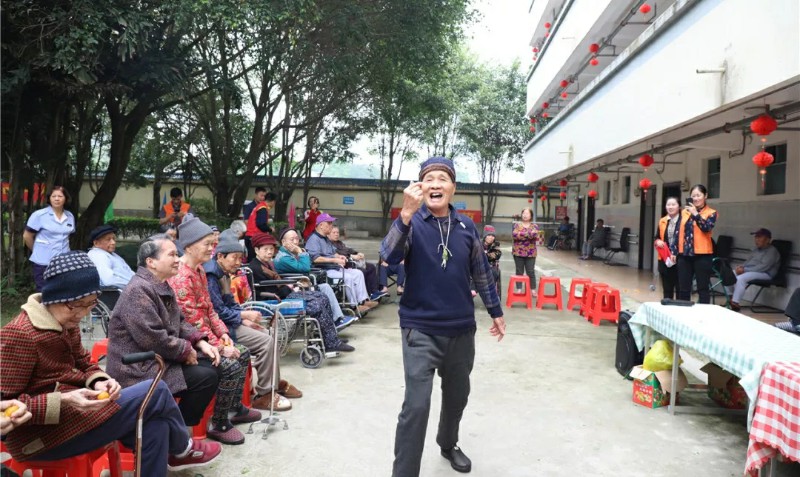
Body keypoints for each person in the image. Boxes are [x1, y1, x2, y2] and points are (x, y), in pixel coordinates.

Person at [0, 251, 221, 475]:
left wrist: (100, 381)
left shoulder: (66, 322)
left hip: (77, 417)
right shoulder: (20, 334)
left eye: (90, 304)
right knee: (156, 390)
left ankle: (177, 452)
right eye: (77, 305)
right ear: (55, 298)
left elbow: (85, 362)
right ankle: (183, 448)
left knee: (156, 426)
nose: (82, 313)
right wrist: (65, 400)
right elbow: (6, 404)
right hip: (41, 438)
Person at [381, 156, 506, 477]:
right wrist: (405, 214)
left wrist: (495, 311)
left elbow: (480, 270)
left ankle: (448, 443)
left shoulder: (466, 226)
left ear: (453, 188)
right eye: (429, 179)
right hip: (420, 329)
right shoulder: (411, 222)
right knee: (416, 406)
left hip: (461, 328)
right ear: (420, 186)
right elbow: (389, 256)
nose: (436, 184)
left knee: (457, 397)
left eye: (442, 179)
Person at [167, 216, 262, 444]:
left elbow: (210, 309)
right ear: (189, 246)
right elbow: (192, 321)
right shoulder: (181, 277)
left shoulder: (199, 270)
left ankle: (235, 407)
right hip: (189, 341)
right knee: (229, 364)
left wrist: (223, 333)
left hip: (205, 336)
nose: (212, 248)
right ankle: (219, 423)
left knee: (242, 353)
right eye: (207, 244)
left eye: (213, 243)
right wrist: (219, 346)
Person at [204, 229, 303, 410]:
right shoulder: (211, 276)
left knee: (268, 333)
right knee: (266, 342)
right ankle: (264, 394)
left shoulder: (223, 272)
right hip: (219, 329)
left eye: (240, 258)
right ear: (220, 256)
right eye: (234, 258)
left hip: (229, 322)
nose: (238, 262)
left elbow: (230, 303)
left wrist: (243, 319)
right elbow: (217, 312)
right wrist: (243, 316)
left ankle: (273, 383)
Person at [248, 231, 355, 351]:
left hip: (283, 296)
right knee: (316, 304)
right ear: (256, 250)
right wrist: (292, 287)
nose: (269, 252)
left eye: (271, 249)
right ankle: (331, 342)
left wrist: (291, 286)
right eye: (265, 249)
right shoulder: (256, 267)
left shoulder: (267, 264)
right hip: (273, 302)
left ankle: (329, 337)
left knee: (322, 296)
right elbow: (273, 291)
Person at [273, 228, 363, 323]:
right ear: (283, 242)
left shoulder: (291, 253)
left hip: (302, 284)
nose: (295, 242)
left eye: (297, 239)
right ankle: (336, 319)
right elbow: (305, 268)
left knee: (326, 287)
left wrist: (301, 252)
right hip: (295, 288)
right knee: (324, 290)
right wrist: (300, 252)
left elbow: (308, 264)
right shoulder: (284, 258)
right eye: (292, 239)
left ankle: (337, 318)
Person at [305, 214, 379, 311]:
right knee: (348, 277)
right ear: (321, 225)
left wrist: (339, 256)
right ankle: (354, 305)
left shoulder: (325, 238)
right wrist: (334, 260)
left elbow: (333, 252)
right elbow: (315, 259)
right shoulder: (313, 239)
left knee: (358, 273)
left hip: (334, 268)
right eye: (329, 223)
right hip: (323, 270)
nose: (331, 225)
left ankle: (363, 301)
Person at [23, 186, 74, 291]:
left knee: (61, 291)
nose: (56, 199)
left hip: (63, 262)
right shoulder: (39, 215)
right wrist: (36, 250)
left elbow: (67, 236)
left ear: (66, 199)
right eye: (53, 196)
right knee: (44, 291)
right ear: (49, 198)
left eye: (60, 196)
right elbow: (27, 236)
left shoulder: (69, 216)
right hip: (43, 262)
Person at [677, 184, 718, 304]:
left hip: (703, 255)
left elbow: (706, 228)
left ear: (705, 196)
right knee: (684, 288)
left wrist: (695, 214)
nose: (695, 198)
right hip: (685, 254)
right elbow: (678, 232)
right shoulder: (684, 212)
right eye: (693, 196)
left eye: (698, 195)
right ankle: (684, 311)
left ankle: (703, 313)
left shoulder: (712, 213)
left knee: (703, 288)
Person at [726, 228, 781, 311]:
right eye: (756, 237)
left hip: (766, 273)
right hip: (752, 271)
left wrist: (745, 270)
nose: (757, 239)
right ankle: (730, 297)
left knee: (741, 278)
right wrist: (741, 267)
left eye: (759, 237)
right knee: (729, 274)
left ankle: (735, 302)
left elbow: (763, 267)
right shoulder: (756, 249)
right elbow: (748, 261)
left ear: (767, 240)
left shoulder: (772, 251)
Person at [329, 225, 386, 301]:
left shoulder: (339, 243)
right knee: (363, 271)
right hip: (344, 264)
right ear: (328, 234)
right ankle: (367, 295)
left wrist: (357, 253)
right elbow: (339, 254)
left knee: (371, 267)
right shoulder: (329, 244)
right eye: (334, 232)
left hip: (351, 262)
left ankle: (374, 291)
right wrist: (351, 256)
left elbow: (348, 249)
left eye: (337, 232)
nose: (336, 234)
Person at [87, 224, 134, 290]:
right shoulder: (97, 255)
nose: (113, 242)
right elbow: (109, 281)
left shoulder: (112, 254)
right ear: (96, 243)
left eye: (114, 238)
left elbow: (130, 272)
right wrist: (135, 286)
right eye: (108, 239)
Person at [654, 198, 681, 300]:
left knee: (680, 288)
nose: (670, 207)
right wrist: (658, 241)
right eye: (668, 205)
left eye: (673, 204)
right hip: (665, 259)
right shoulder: (663, 221)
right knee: (667, 289)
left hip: (680, 259)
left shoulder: (683, 220)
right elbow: (656, 237)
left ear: (679, 206)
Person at [512, 207, 539, 291]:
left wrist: (521, 234)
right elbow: (515, 235)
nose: (525, 215)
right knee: (519, 271)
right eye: (523, 213)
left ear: (531, 216)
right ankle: (519, 289)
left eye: (527, 213)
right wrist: (528, 234)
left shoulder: (535, 226)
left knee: (530, 271)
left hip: (531, 253)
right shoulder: (517, 225)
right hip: (518, 252)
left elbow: (534, 235)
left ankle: (533, 289)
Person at [245, 191, 277, 259]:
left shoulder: (259, 206)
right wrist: (270, 229)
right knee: (254, 260)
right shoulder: (262, 209)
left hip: (250, 236)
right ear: (273, 201)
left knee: (252, 259)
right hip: (254, 238)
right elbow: (261, 225)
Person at [483, 226, 502, 295]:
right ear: (485, 236)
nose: (491, 237)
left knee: (494, 272)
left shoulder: (495, 244)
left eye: (493, 236)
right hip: (477, 266)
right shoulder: (478, 243)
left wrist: (483, 255)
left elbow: (496, 255)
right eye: (489, 235)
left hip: (490, 266)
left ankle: (490, 291)